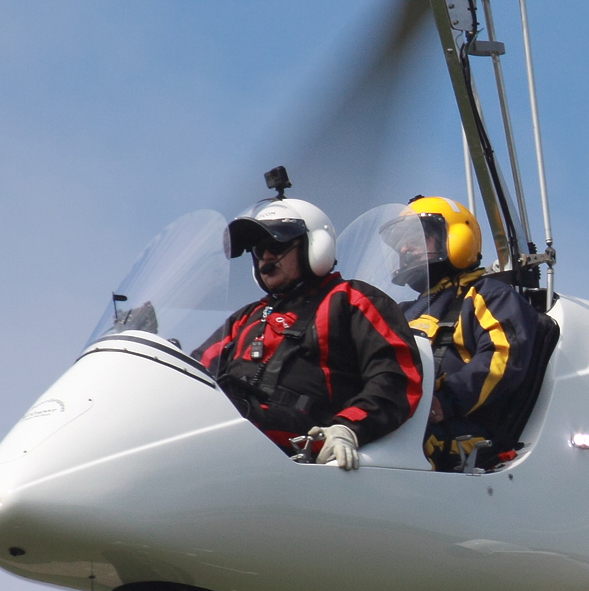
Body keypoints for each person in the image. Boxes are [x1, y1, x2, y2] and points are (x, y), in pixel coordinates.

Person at [196, 196, 423, 470]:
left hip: (306, 435)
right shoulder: (244, 317)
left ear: (312, 246)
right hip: (230, 425)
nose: (265, 257)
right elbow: (193, 374)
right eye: (258, 249)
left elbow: (397, 378)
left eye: (276, 245)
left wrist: (348, 427)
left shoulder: (352, 300)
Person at [385, 196, 539, 471]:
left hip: (457, 433)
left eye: (417, 239)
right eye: (401, 244)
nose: (405, 248)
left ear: (457, 238)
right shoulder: (401, 311)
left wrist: (445, 401)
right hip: (402, 419)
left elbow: (501, 358)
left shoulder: (488, 296)